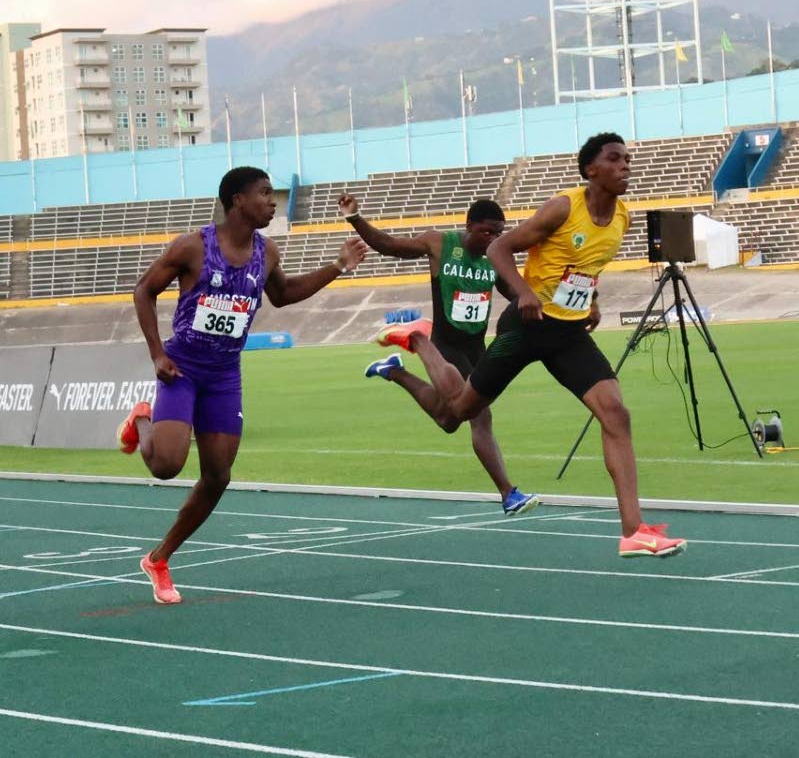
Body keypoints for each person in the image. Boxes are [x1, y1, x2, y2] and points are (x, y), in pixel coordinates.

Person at [378, 133, 686, 557]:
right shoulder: (563, 207)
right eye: (614, 159)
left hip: (568, 334)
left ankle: (633, 531)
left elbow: (585, 267)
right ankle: (411, 348)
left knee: (616, 412)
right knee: (455, 416)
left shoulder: (623, 219)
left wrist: (591, 300)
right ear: (590, 170)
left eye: (627, 159)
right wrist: (523, 292)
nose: (625, 166)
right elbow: (500, 248)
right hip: (525, 329)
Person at [116, 166, 368, 603]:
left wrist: (337, 266)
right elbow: (143, 291)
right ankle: (143, 422)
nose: (273, 202)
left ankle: (160, 559)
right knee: (166, 466)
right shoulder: (193, 247)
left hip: (224, 373)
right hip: (183, 367)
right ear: (237, 200)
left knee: (218, 476)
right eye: (265, 193)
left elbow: (284, 294)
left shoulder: (266, 252)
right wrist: (157, 353)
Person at [338, 194, 537, 516]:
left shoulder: (495, 256)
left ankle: (395, 371)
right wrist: (355, 217)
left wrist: (533, 302)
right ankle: (508, 493)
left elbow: (512, 290)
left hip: (475, 346)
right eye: (486, 232)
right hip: (445, 342)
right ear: (469, 225)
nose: (492, 239)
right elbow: (390, 246)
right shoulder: (440, 244)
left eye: (498, 233)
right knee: (480, 416)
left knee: (448, 420)